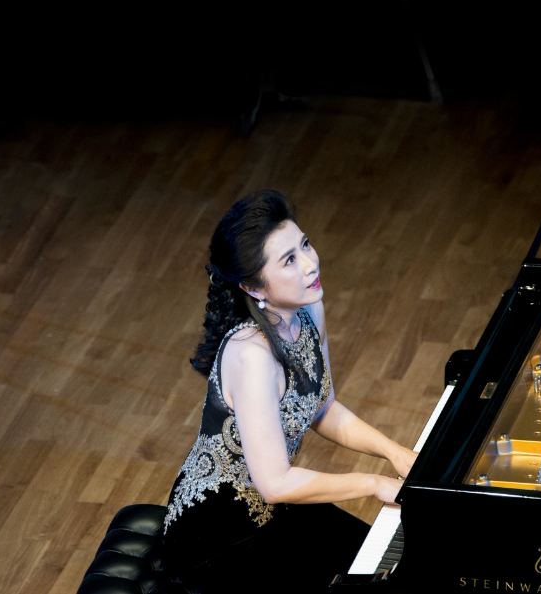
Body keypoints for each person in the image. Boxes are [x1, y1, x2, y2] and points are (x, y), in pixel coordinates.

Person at [162, 190, 417, 592]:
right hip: (214, 537)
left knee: (395, 561)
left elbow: (322, 408)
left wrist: (393, 451)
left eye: (305, 245)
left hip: (275, 508)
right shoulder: (251, 356)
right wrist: (373, 484)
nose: (311, 263)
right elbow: (275, 484)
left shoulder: (309, 310)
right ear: (254, 289)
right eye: (289, 260)